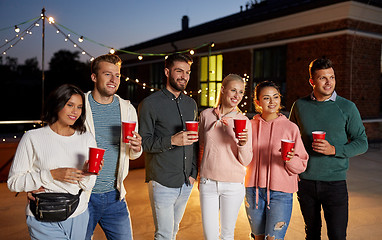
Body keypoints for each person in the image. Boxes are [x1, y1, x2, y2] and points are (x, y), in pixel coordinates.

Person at [289, 58, 368, 240]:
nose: (328, 82)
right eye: (323, 78)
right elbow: (291, 139)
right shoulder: (299, 106)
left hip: (335, 183)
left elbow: (362, 142)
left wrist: (334, 149)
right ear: (312, 82)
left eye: (331, 77)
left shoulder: (347, 107)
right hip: (306, 183)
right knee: (312, 234)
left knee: (337, 236)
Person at [8, 84, 97, 240]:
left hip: (78, 214)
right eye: (70, 105)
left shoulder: (87, 138)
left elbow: (88, 186)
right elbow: (14, 182)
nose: (75, 111)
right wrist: (52, 175)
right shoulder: (32, 137)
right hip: (42, 217)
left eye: (79, 107)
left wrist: (88, 173)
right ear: (57, 104)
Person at [138, 53, 198, 240]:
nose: (184, 76)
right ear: (167, 72)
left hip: (185, 181)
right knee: (164, 234)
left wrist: (193, 173)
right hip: (162, 181)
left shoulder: (191, 104)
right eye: (179, 71)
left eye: (187, 72)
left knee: (173, 231)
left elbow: (195, 142)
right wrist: (172, 140)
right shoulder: (149, 104)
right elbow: (144, 143)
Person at [84, 54, 143, 240]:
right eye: (107, 74)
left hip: (115, 196)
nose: (113, 80)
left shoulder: (127, 109)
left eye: (117, 75)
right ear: (94, 77)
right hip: (84, 196)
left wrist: (137, 147)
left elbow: (133, 155)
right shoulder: (79, 107)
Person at [244, 81, 308, 240]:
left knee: (274, 238)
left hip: (281, 193)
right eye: (266, 98)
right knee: (258, 237)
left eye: (275, 97)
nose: (272, 101)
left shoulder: (290, 127)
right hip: (253, 191)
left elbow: (302, 165)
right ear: (258, 102)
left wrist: (290, 159)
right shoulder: (249, 126)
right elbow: (242, 157)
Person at [198, 74, 253, 240]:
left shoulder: (244, 121)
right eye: (233, 90)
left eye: (241, 92)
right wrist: (199, 175)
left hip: (233, 185)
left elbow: (246, 160)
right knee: (210, 236)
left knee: (227, 235)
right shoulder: (206, 115)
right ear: (223, 90)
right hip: (208, 183)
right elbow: (201, 147)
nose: (237, 95)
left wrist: (242, 144)